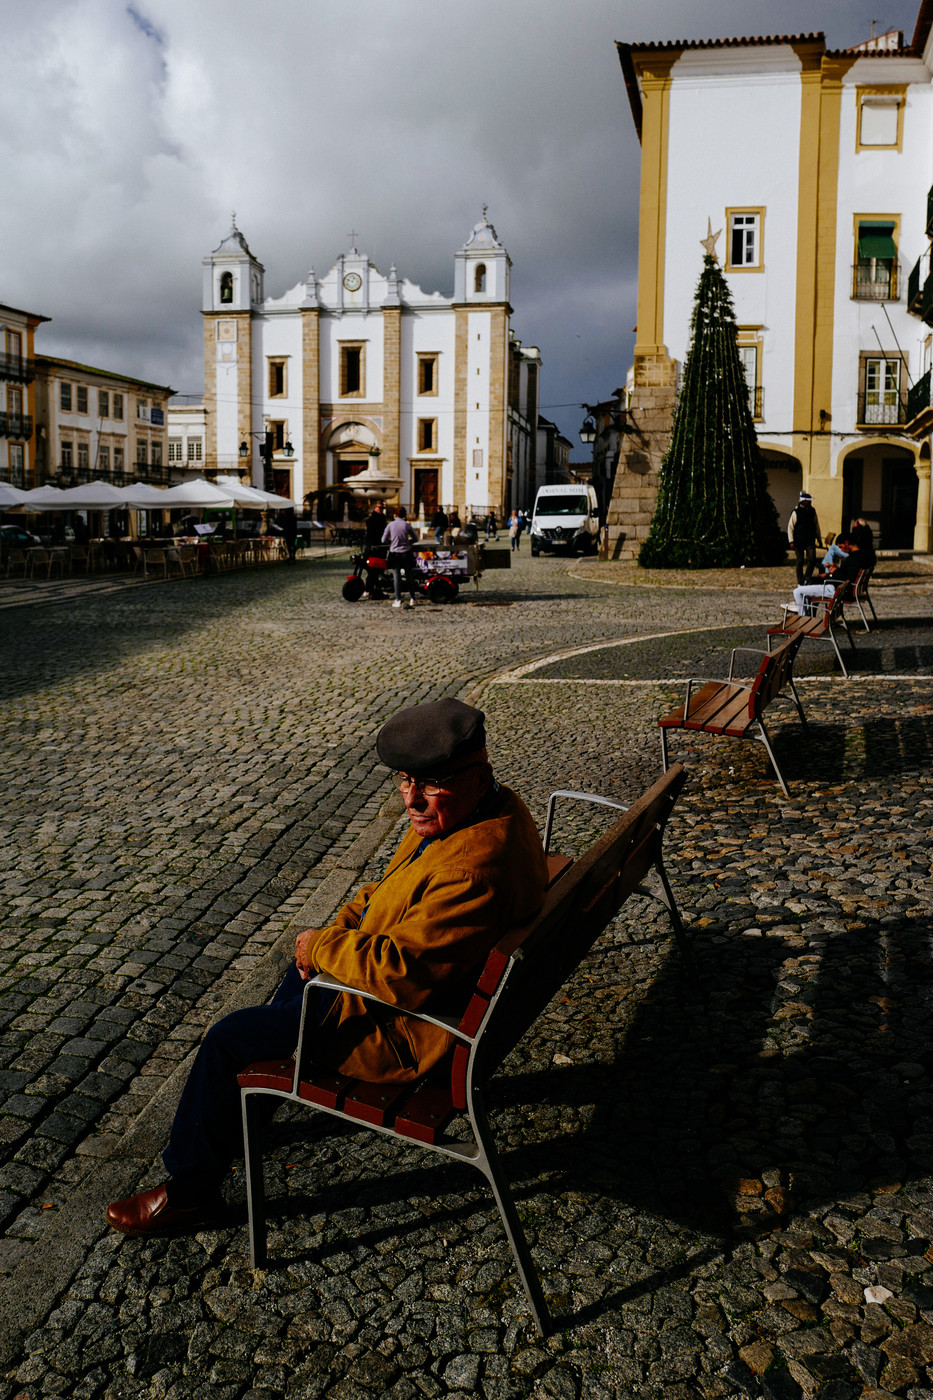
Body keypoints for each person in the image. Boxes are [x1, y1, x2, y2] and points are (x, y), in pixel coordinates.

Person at [104, 700, 549, 1237]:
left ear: (478, 776)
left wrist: (320, 947)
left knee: (227, 1039)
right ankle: (244, 1116)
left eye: (431, 784)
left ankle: (190, 1192)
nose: (411, 800)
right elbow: (389, 890)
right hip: (411, 992)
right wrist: (334, 933)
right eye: (405, 781)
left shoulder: (471, 868)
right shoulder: (482, 811)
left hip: (402, 1029)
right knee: (289, 990)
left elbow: (403, 974)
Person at [792, 540, 862, 617]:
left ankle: (803, 617)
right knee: (809, 584)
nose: (841, 550)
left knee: (797, 591)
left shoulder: (851, 559)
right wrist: (836, 570)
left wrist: (830, 575)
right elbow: (846, 575)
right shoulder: (857, 557)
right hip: (840, 589)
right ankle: (805, 612)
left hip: (836, 589)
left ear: (846, 543)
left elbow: (845, 579)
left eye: (841, 547)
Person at [382, 505, 418, 608]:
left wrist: (392, 542)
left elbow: (383, 540)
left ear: (396, 514)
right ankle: (412, 598)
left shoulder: (390, 525)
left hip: (395, 553)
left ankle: (398, 599)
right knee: (409, 577)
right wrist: (408, 542)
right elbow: (416, 539)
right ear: (404, 515)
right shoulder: (407, 525)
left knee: (396, 577)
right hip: (406, 553)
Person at [787, 492, 822, 585]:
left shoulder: (812, 511)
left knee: (812, 559)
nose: (810, 502)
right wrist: (791, 541)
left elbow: (816, 525)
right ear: (803, 501)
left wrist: (819, 538)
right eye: (808, 501)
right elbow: (790, 527)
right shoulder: (796, 512)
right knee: (800, 560)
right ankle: (800, 579)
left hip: (810, 540)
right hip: (799, 540)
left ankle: (807, 577)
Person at [361, 499, 388, 598]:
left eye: (383, 508)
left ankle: (373, 590)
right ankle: (371, 590)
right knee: (373, 571)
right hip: (375, 548)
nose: (381, 509)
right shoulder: (374, 519)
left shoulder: (380, 518)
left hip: (377, 548)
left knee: (374, 571)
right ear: (374, 508)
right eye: (380, 508)